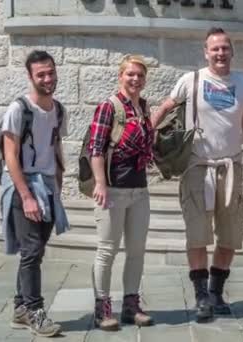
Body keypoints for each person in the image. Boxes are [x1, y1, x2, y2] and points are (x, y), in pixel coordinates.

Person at [151, 27, 243, 322]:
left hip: (231, 167)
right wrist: (146, 136)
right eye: (215, 49)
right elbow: (165, 107)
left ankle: (215, 292)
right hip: (197, 167)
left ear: (231, 51)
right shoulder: (191, 80)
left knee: (230, 235)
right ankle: (200, 296)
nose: (220, 53)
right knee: (197, 235)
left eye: (225, 48)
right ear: (206, 52)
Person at [1, 50, 69, 337]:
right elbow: (10, 155)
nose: (47, 78)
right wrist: (26, 195)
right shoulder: (19, 109)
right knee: (31, 251)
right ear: (30, 76)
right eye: (41, 74)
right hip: (23, 186)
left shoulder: (59, 109)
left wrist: (58, 185)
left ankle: (20, 306)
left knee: (35, 251)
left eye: (50, 72)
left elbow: (55, 148)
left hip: (48, 187)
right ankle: (35, 311)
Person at [88, 55, 154, 330]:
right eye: (130, 74)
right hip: (113, 190)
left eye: (139, 75)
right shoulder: (109, 107)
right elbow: (96, 148)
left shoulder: (144, 108)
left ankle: (130, 304)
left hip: (139, 190)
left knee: (136, 250)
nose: (135, 79)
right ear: (120, 76)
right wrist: (100, 184)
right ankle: (102, 307)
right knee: (107, 250)